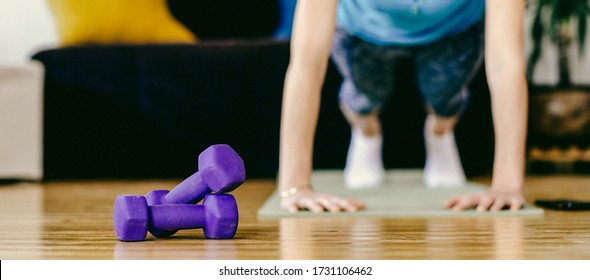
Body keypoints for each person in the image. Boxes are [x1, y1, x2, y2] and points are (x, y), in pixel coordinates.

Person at [278, 0, 528, 212]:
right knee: (364, 99)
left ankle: (439, 132)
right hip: (364, 29)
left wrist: (507, 186)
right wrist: (295, 186)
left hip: (453, 29)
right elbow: (306, 64)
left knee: (444, 99)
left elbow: (505, 65)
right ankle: (367, 131)